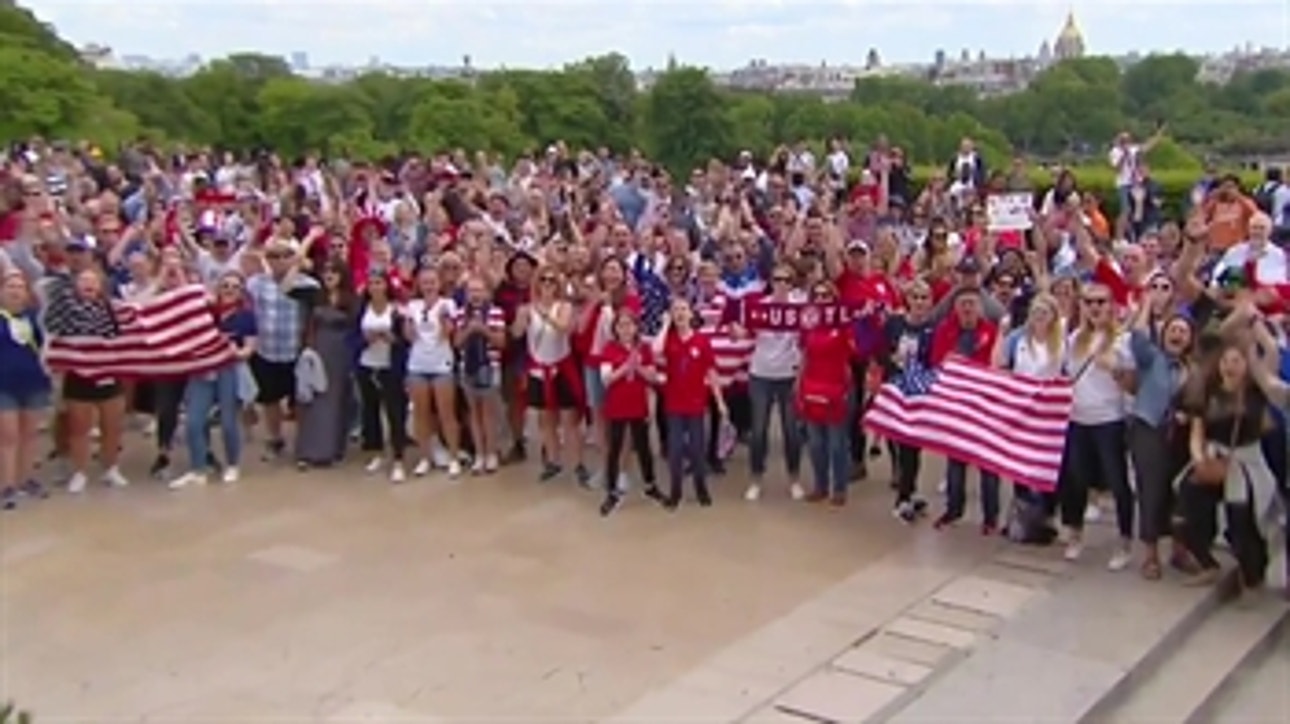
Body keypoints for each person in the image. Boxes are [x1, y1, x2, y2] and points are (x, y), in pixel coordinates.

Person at [1178, 336, 1279, 593]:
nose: (1229, 366)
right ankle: (1206, 562)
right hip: (1214, 456)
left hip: (1246, 463)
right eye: (1225, 360)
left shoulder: (1256, 393)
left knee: (1243, 523)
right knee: (1188, 502)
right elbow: (1197, 431)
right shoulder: (1209, 392)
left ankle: (1252, 575)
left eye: (1236, 361)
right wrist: (1200, 461)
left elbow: (1271, 352)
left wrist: (1254, 324)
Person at [1059, 281, 1136, 567]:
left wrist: (1114, 368)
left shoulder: (1122, 341)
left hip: (1109, 420)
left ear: (1111, 306)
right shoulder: (1073, 339)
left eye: (1101, 302)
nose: (1094, 308)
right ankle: (1075, 534)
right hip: (1078, 418)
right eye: (1089, 302)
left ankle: (1125, 540)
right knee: (1076, 478)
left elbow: (1132, 384)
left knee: (1117, 482)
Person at [43, 265, 130, 493]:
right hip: (78, 375)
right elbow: (51, 325)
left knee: (112, 427)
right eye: (83, 280)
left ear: (101, 286)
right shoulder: (64, 309)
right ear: (76, 285)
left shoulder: (111, 308)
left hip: (109, 374)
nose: (88, 284)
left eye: (93, 280)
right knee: (79, 428)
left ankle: (110, 469)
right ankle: (79, 472)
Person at [169, 270, 256, 489]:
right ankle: (198, 469)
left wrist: (235, 352)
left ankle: (233, 464)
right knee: (193, 422)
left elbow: (249, 349)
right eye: (225, 285)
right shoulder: (205, 313)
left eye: (235, 287)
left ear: (241, 292)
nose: (229, 290)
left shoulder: (246, 316)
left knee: (228, 423)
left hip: (230, 370)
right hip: (203, 369)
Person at [742, 264, 805, 502]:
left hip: (789, 374)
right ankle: (756, 478)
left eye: (786, 280)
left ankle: (794, 478)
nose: (782, 284)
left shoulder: (801, 307)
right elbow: (746, 332)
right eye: (777, 279)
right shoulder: (760, 307)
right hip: (761, 373)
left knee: (792, 431)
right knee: (758, 430)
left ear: (792, 283)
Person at [655, 296, 725, 509]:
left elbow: (711, 372)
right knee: (675, 450)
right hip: (674, 404)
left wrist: (720, 401)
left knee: (697, 448)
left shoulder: (702, 341)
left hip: (696, 404)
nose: (680, 313)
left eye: (684, 309)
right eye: (675, 309)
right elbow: (656, 351)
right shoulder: (669, 339)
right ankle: (675, 491)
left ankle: (700, 488)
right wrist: (665, 325)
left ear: (691, 313)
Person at [597, 309, 665, 516]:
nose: (626, 329)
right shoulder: (609, 348)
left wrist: (641, 368)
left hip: (638, 405)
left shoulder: (644, 349)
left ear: (636, 327)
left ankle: (650, 485)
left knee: (643, 447)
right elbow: (606, 379)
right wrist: (626, 367)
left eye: (629, 325)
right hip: (617, 406)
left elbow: (653, 377)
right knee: (615, 448)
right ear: (615, 329)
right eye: (621, 325)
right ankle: (611, 491)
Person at [796, 281, 856, 506]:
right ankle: (820, 485)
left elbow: (851, 355)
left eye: (826, 295)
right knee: (815, 443)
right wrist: (798, 384)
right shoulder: (808, 325)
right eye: (817, 295)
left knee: (837, 443)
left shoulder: (843, 325)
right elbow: (804, 356)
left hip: (836, 387)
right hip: (811, 385)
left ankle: (839, 487)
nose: (821, 299)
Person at [295, 259, 357, 468]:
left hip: (341, 352)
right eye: (326, 271)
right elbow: (286, 285)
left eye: (334, 271)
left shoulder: (352, 299)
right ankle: (310, 450)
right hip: (317, 350)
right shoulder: (314, 295)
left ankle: (334, 449)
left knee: (338, 399)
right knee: (314, 398)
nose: (329, 275)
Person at [884, 279, 935, 522]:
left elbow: (935, 362)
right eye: (915, 297)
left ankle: (906, 494)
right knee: (899, 445)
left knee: (912, 448)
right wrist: (889, 360)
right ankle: (905, 492)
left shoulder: (934, 328)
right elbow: (880, 349)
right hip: (895, 390)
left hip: (919, 395)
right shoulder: (894, 324)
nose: (919, 302)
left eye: (924, 297)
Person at [0, 271, 52, 509]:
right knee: (8, 436)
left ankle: (26, 478)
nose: (15, 290)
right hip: (3, 384)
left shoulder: (32, 318)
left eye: (20, 286)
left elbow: (43, 347)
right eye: (10, 286)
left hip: (32, 382)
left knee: (30, 434)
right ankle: (7, 484)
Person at [405, 265, 462, 477]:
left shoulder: (448, 304)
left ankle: (454, 456)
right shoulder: (412, 306)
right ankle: (424, 457)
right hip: (417, 364)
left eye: (432, 282)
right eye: (425, 282)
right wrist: (410, 322)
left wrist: (442, 317)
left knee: (446, 413)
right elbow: (409, 336)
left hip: (441, 363)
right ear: (419, 285)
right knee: (421, 414)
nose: (428, 286)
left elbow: (449, 333)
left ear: (439, 284)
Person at [356, 269, 410, 482]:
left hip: (390, 366)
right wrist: (365, 340)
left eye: (379, 282)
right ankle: (376, 453)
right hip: (367, 364)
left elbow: (404, 341)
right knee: (370, 411)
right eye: (372, 283)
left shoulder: (396, 310)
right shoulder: (362, 309)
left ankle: (398, 458)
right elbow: (352, 337)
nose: (376, 287)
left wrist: (392, 338)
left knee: (395, 411)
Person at [454, 274, 506, 475]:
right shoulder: (460, 314)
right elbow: (457, 343)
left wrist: (483, 330)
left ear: (487, 293)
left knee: (488, 413)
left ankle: (491, 453)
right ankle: (480, 454)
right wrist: (469, 330)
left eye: (479, 290)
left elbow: (501, 342)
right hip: (467, 366)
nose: (475, 294)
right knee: (473, 412)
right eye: (471, 291)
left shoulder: (496, 313)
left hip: (490, 366)